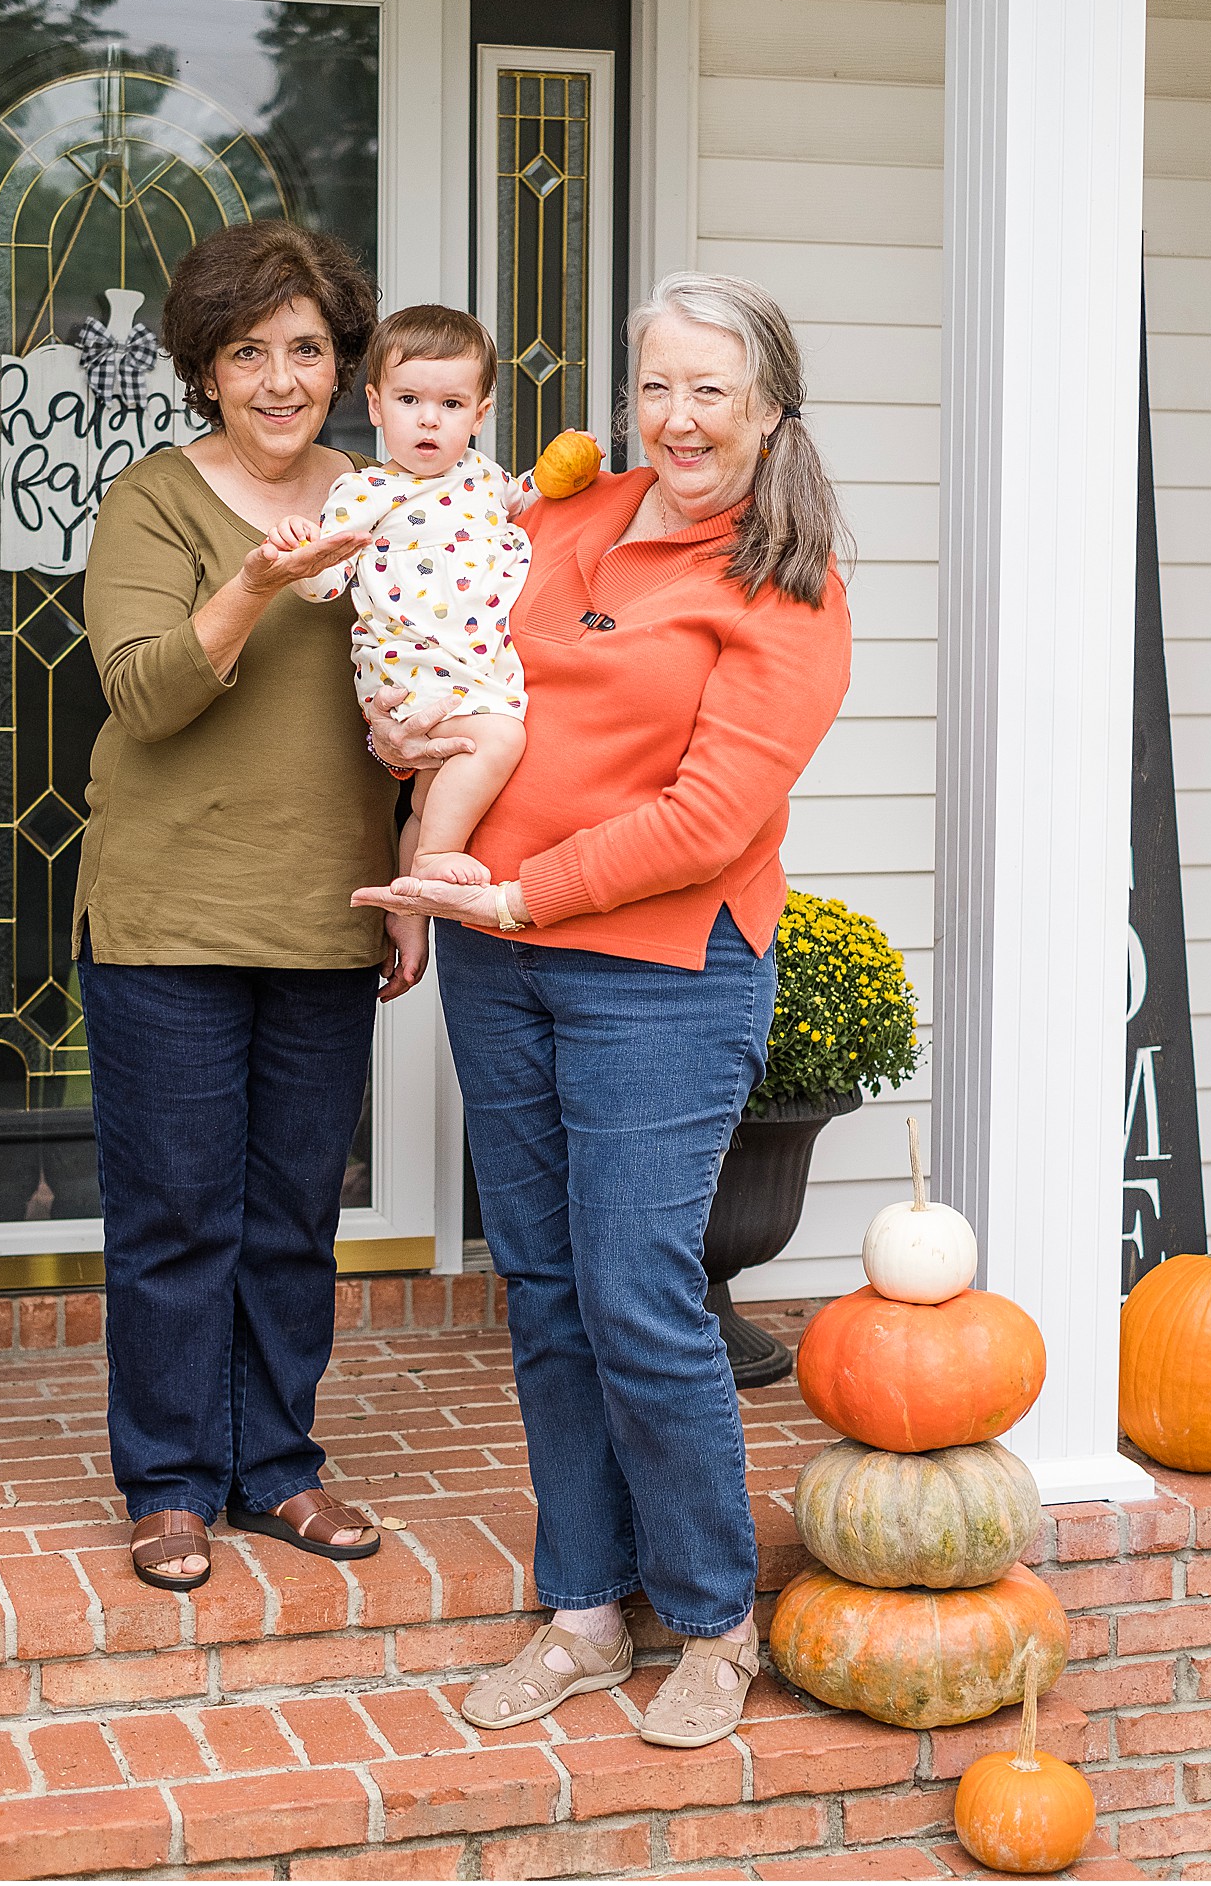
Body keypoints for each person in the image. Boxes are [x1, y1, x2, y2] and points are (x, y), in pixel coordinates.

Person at [354, 272, 853, 1747]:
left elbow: (711, 817)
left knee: (639, 1294)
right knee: (551, 1291)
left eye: (710, 388)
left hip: (656, 971)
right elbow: (455, 662)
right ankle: (583, 1608)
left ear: (768, 403)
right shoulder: (561, 519)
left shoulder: (786, 581)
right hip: (499, 962)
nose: (678, 416)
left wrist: (520, 894)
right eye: (655, 384)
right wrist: (402, 737)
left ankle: (709, 1617)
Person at [72, 220, 429, 1591]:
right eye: (248, 352)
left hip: (326, 906)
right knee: (176, 1211)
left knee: (292, 1210)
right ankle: (167, 1479)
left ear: (339, 362)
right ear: (206, 370)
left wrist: (411, 883)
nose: (281, 378)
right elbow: (148, 693)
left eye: (306, 348)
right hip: (168, 911)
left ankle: (272, 1460)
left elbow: (426, 696)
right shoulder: (153, 502)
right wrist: (259, 580)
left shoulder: (388, 493)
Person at [278, 305, 536, 884]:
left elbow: (521, 507)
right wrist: (301, 554)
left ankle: (412, 898)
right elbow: (322, 585)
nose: (428, 421)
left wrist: (563, 477)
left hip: (470, 667)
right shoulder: (366, 492)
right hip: (411, 670)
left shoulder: (484, 476)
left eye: (450, 405)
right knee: (497, 738)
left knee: (429, 795)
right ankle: (438, 857)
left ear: (480, 413)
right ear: (375, 405)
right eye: (408, 400)